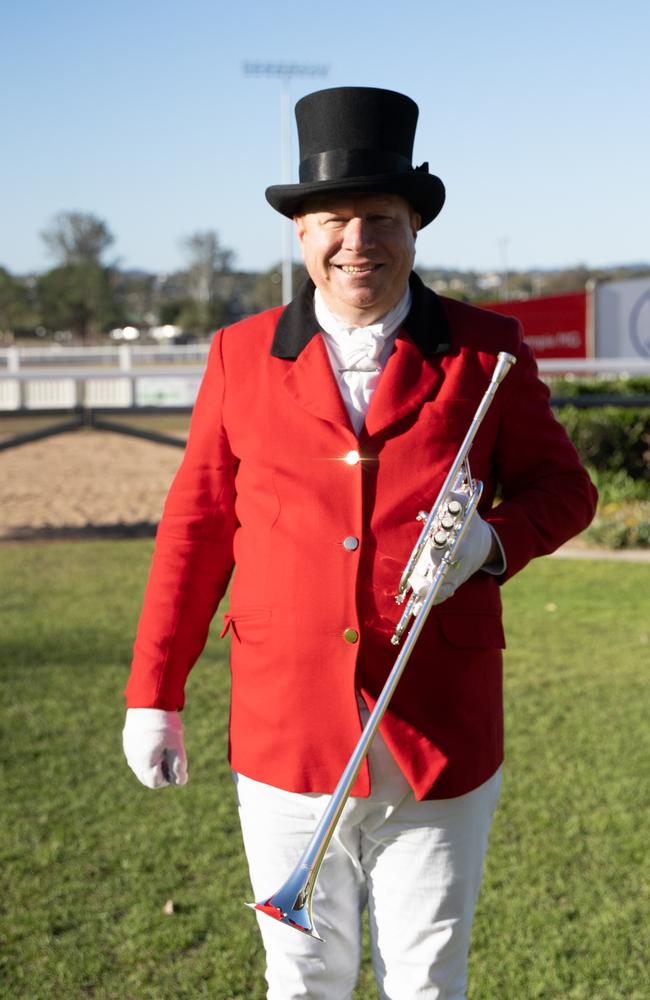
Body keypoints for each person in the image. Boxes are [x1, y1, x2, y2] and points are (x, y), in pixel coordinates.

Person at [122, 87, 597, 999]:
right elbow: (196, 530)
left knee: (425, 980)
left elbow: (567, 491)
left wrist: (490, 546)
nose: (358, 242)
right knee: (301, 976)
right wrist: (156, 694)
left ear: (415, 228)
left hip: (439, 727)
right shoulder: (237, 354)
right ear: (300, 234)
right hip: (284, 728)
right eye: (334, 219)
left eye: (381, 218)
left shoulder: (484, 348)